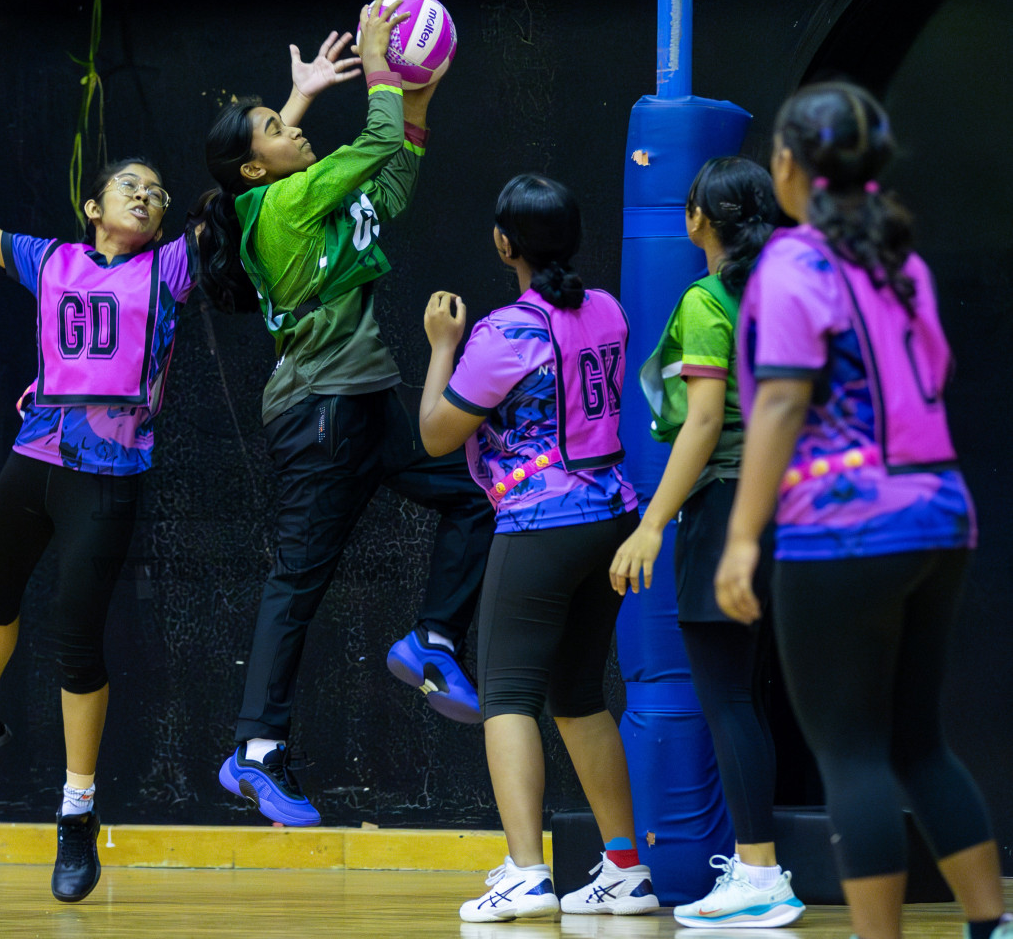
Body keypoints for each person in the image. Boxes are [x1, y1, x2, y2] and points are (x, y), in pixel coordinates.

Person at [0, 57, 195, 903]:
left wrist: (302, 97)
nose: (144, 196)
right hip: (37, 457)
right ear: (92, 207)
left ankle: (77, 813)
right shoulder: (50, 260)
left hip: (110, 474)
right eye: (129, 186)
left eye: (156, 193)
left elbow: (251, 190)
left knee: (75, 642)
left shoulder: (169, 271)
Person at [714, 81, 1010, 939]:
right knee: (920, 742)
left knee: (851, 752)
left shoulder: (794, 264)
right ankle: (990, 925)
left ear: (789, 165)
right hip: (940, 515)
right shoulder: (901, 261)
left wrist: (741, 539)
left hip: (842, 527)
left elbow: (777, 403)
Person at [190, 0, 492, 828]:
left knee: (473, 497)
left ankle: (430, 640)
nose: (295, 129)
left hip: (363, 400)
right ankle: (255, 754)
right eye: (277, 129)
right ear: (255, 168)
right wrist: (384, 73)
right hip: (318, 414)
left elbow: (389, 180)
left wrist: (417, 101)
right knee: (297, 582)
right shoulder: (279, 205)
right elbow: (373, 144)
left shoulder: (313, 198)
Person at [419, 175, 657, 922]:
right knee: (580, 695)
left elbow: (434, 434)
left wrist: (442, 347)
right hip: (612, 512)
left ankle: (526, 872)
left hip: (542, 522)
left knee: (507, 696)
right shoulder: (610, 310)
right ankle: (625, 869)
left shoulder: (503, 333)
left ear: (503, 243)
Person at [608, 157, 805, 928]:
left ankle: (759, 876)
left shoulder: (705, 298)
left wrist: (651, 523)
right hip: (814, 511)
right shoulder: (795, 292)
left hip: (728, 510)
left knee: (728, 699)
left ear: (696, 220)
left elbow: (700, 422)